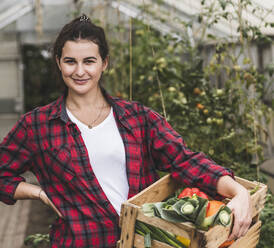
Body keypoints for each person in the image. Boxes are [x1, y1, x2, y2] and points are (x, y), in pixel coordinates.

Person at [0, 14, 252, 248]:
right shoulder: (38, 125)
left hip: (140, 240)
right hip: (78, 241)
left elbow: (183, 159)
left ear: (104, 63)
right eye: (70, 61)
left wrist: (239, 192)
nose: (79, 71)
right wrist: (40, 194)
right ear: (58, 62)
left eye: (89, 61)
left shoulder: (137, 118)